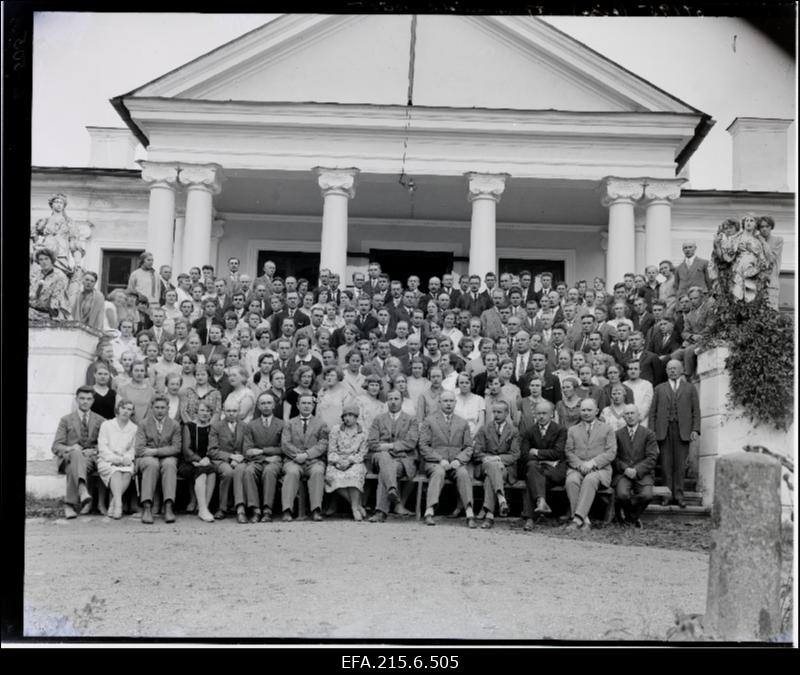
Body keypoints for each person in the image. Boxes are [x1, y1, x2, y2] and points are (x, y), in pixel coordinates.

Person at [419, 391, 476, 528]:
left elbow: (468, 447)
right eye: (445, 401)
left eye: (451, 401)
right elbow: (423, 445)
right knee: (438, 473)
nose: (448, 404)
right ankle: (429, 511)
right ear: (439, 403)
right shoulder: (430, 420)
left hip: (456, 463)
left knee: (463, 473)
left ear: (455, 403)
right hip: (435, 463)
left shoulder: (462, 423)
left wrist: (458, 460)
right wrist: (439, 460)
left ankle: (469, 512)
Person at [650, 359, 700, 508]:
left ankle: (679, 496)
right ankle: (666, 495)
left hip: (682, 430)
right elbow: (653, 412)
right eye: (669, 368)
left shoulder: (690, 388)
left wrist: (695, 429)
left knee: (680, 465)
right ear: (666, 371)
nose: (672, 371)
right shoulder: (659, 389)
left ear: (681, 370)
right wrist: (652, 431)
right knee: (665, 464)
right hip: (663, 430)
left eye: (675, 368)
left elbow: (696, 411)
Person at [51, 386, 105, 518]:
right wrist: (70, 448)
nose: (85, 402)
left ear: (93, 401)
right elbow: (56, 445)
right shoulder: (66, 420)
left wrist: (94, 450)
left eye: (88, 399)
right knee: (75, 456)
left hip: (90, 460)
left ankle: (69, 505)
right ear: (76, 400)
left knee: (73, 467)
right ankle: (82, 491)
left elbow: (106, 444)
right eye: (82, 398)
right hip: (69, 457)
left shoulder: (101, 420)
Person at [366, 389, 419, 522]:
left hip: (403, 460)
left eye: (396, 399)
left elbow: (411, 442)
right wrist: (386, 450)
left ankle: (380, 512)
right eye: (390, 399)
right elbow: (372, 443)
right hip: (380, 457)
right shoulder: (378, 419)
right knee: (384, 458)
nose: (393, 402)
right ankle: (392, 488)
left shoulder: (411, 420)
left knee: (386, 470)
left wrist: (389, 446)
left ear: (402, 401)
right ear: (387, 401)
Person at [564, 398, 616, 530]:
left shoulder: (607, 429)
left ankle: (577, 519)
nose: (586, 413)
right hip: (577, 467)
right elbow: (568, 452)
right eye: (583, 410)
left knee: (590, 479)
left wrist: (592, 463)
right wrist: (580, 465)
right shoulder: (572, 430)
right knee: (571, 480)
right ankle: (585, 519)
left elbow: (611, 452)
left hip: (600, 470)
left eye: (589, 410)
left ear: (597, 411)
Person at [518, 400, 567, 531]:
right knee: (532, 469)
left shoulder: (560, 430)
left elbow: (558, 452)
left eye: (544, 413)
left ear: (552, 414)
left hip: (554, 471)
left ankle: (530, 518)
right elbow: (524, 455)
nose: (541, 416)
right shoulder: (529, 431)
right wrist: (545, 458)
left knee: (532, 477)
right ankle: (540, 503)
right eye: (538, 413)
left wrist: (537, 452)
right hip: (536, 468)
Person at [280, 393, 329, 521]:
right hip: (293, 460)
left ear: (313, 406)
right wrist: (298, 455)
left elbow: (323, 444)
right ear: (298, 405)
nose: (306, 406)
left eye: (309, 403)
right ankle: (287, 510)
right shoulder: (290, 423)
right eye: (304, 403)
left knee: (318, 472)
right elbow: (285, 444)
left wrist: (306, 455)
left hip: (314, 460)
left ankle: (316, 510)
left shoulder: (321, 424)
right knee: (292, 472)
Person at [472, 400, 520, 528]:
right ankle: (501, 498)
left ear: (506, 413)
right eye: (494, 412)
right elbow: (477, 452)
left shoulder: (513, 431)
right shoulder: (484, 429)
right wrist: (490, 460)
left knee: (490, 479)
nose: (496, 415)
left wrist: (496, 458)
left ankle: (489, 514)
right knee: (492, 468)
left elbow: (515, 455)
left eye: (499, 412)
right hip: (484, 465)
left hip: (505, 468)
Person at [134, 395, 182, 524]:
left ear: (168, 409)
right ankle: (147, 507)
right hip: (146, 458)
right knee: (151, 464)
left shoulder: (174, 425)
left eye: (163, 407)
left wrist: (155, 451)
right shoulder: (143, 424)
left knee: (170, 464)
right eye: (156, 407)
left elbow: (176, 448)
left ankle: (168, 506)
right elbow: (139, 448)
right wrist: (153, 453)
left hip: (165, 457)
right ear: (151, 408)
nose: (160, 410)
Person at [240, 392, 285, 523]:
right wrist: (265, 458)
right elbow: (247, 451)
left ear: (274, 405)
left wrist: (261, 450)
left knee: (269, 471)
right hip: (257, 461)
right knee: (248, 471)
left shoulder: (282, 424)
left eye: (269, 403)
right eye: (263, 403)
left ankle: (267, 510)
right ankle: (255, 509)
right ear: (258, 406)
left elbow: (283, 448)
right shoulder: (251, 425)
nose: (266, 406)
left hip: (275, 461)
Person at [613, 405, 659, 527]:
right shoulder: (617, 434)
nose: (630, 416)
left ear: (639, 416)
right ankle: (633, 518)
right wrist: (625, 469)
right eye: (627, 414)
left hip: (643, 473)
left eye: (632, 413)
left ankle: (629, 518)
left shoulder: (649, 434)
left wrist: (636, 470)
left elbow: (652, 458)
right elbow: (614, 457)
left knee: (647, 495)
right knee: (622, 495)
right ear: (623, 417)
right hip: (623, 473)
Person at [325, 402, 368, 521]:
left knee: (355, 474)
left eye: (351, 415)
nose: (347, 418)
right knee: (333, 476)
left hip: (354, 461)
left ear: (356, 417)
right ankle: (357, 505)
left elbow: (362, 452)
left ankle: (354, 508)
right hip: (337, 461)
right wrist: (338, 461)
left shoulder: (363, 431)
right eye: (345, 415)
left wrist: (349, 461)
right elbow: (331, 450)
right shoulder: (336, 430)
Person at [96, 398, 138, 520]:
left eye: (129, 409)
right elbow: (102, 447)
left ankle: (113, 503)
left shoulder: (134, 428)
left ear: (132, 412)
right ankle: (119, 504)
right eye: (123, 408)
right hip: (106, 460)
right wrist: (116, 459)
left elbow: (132, 449)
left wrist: (126, 458)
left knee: (128, 472)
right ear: (118, 409)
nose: (125, 411)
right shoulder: (107, 425)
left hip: (125, 461)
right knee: (115, 471)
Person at [208, 399, 247, 520]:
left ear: (239, 411)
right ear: (224, 411)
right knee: (228, 472)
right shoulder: (216, 426)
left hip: (241, 459)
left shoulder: (245, 426)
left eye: (234, 411)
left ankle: (241, 508)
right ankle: (222, 508)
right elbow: (212, 450)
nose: (231, 413)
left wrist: (240, 458)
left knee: (241, 471)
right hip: (221, 460)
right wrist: (230, 457)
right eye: (228, 411)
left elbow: (248, 446)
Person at [180, 400, 217, 523]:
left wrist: (206, 459)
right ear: (196, 412)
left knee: (211, 470)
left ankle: (204, 508)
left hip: (206, 461)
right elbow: (186, 450)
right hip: (188, 461)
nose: (205, 413)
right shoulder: (189, 426)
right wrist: (198, 460)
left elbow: (213, 447)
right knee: (202, 471)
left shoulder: (212, 428)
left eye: (208, 411)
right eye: (202, 410)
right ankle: (203, 509)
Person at [30, 248, 70, 321]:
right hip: (33, 310)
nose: (44, 262)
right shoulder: (35, 275)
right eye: (41, 259)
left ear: (51, 260)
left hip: (51, 313)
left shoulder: (60, 276)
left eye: (46, 259)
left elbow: (56, 299)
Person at [316, 365, 354, 430]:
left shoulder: (345, 393)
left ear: (338, 377)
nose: (329, 378)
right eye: (327, 375)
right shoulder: (321, 392)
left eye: (332, 375)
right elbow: (318, 413)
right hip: (322, 430)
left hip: (339, 430)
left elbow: (348, 415)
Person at [758, 215, 784, 309]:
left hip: (772, 282)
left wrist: (763, 242)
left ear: (771, 227)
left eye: (767, 226)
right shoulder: (756, 242)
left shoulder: (778, 240)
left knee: (771, 312)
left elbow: (771, 258)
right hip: (758, 284)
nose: (764, 229)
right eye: (761, 227)